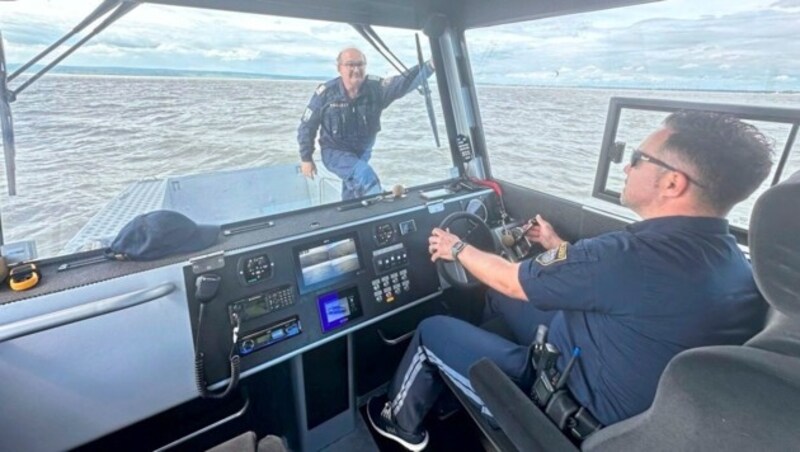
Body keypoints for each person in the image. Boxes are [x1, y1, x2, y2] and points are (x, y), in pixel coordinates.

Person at [366, 111, 774, 451]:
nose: (628, 166)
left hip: (568, 412)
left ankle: (399, 424)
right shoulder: (732, 262)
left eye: (638, 157)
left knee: (431, 330)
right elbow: (613, 286)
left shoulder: (625, 255)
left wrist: (455, 248)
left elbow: (511, 279)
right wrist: (556, 244)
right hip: (627, 397)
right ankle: (470, 366)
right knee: (496, 295)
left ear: (672, 183)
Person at [297, 47, 435, 200]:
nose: (356, 69)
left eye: (360, 64)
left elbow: (403, 83)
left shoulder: (376, 89)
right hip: (334, 152)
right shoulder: (325, 93)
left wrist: (430, 66)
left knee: (353, 189)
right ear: (339, 68)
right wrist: (306, 158)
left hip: (362, 151)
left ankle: (352, 215)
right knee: (364, 175)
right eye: (350, 65)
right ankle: (381, 211)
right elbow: (307, 126)